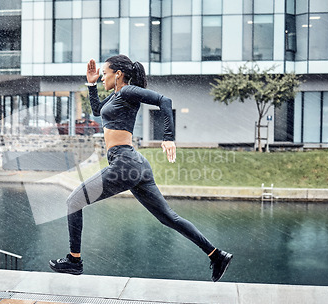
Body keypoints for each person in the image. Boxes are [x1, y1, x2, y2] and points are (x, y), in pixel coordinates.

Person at [49, 55, 233, 282]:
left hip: (125, 163)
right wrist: (91, 83)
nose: (102, 77)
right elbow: (97, 110)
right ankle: (217, 255)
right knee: (169, 218)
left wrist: (168, 137)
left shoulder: (127, 91)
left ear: (118, 74)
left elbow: (164, 101)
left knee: (73, 201)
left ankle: (74, 261)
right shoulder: (116, 96)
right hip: (135, 164)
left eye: (104, 74)